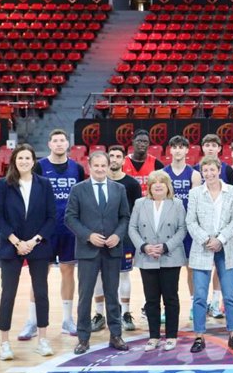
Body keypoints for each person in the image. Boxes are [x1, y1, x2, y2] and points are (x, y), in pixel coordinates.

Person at [19, 129, 84, 340]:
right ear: (49, 144)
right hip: (44, 230)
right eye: (54, 140)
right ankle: (32, 321)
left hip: (69, 230)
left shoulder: (78, 169)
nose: (58, 144)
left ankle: (67, 320)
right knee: (39, 274)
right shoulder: (39, 166)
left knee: (68, 271)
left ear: (68, 144)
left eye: (62, 140)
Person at [65, 151, 131, 355]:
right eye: (97, 166)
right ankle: (83, 338)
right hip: (88, 250)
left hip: (112, 250)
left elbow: (125, 218)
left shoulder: (119, 189)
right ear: (89, 167)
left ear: (108, 166)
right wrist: (88, 235)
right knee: (85, 296)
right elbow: (70, 218)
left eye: (104, 165)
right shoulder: (78, 189)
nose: (101, 169)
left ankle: (116, 335)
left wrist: (118, 236)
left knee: (112, 294)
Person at [0, 144, 57, 360]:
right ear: (14, 160)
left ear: (33, 161)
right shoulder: (4, 184)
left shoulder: (44, 184)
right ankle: (4, 343)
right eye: (20, 158)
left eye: (27, 158)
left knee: (41, 293)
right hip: (11, 246)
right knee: (8, 295)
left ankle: (43, 340)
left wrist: (34, 240)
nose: (24, 161)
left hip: (37, 246)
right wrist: (16, 241)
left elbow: (51, 217)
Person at [186, 156, 233, 352]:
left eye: (212, 170)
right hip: (202, 248)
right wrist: (206, 240)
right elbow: (190, 221)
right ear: (202, 172)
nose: (209, 174)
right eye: (205, 170)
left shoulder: (232, 191)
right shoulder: (195, 193)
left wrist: (221, 239)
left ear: (219, 170)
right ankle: (199, 336)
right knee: (200, 296)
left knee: (229, 295)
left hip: (226, 248)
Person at [129, 171, 187, 352]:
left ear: (168, 185)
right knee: (151, 300)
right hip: (147, 257)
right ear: (149, 186)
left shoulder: (177, 204)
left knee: (171, 298)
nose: (158, 185)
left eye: (162, 182)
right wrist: (144, 246)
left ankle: (171, 336)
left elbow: (182, 228)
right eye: (154, 182)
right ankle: (153, 336)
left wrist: (166, 246)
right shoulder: (140, 203)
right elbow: (132, 228)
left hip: (170, 256)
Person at [91, 145, 142, 332]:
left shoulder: (132, 184)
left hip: (123, 237)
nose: (114, 159)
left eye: (118, 156)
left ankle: (125, 313)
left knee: (123, 274)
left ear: (123, 160)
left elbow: (135, 214)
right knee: (97, 274)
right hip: (99, 236)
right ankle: (99, 314)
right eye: (110, 155)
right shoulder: (95, 184)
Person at [162, 135, 202, 319]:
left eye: (181, 147)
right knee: (167, 270)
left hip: (188, 229)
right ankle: (165, 306)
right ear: (170, 150)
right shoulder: (163, 174)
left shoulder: (194, 174)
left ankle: (195, 304)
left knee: (191, 268)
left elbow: (196, 204)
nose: (178, 150)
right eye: (174, 147)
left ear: (187, 150)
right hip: (167, 229)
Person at [123, 129, 165, 196]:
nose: (142, 144)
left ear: (149, 144)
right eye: (139, 141)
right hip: (128, 202)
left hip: (149, 202)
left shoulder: (157, 164)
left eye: (145, 142)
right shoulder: (123, 163)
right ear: (133, 141)